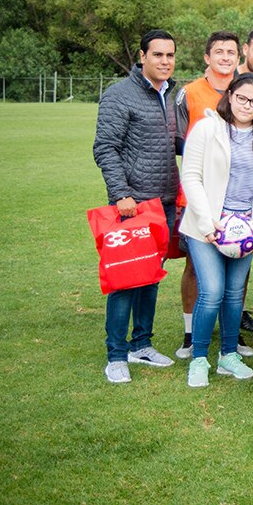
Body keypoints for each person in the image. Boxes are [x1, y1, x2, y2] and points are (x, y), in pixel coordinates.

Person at [179, 74, 253, 388]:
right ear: (231, 96)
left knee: (235, 295)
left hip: (246, 230)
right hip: (207, 226)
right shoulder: (207, 129)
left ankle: (227, 356)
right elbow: (191, 177)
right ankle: (198, 358)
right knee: (211, 292)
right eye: (242, 98)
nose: (247, 105)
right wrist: (209, 223)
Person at [93, 29, 180, 383]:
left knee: (150, 278)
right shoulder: (120, 95)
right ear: (142, 57)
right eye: (157, 55)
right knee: (125, 280)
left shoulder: (170, 95)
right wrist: (121, 193)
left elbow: (171, 142)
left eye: (170, 56)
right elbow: (105, 148)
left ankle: (141, 344)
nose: (164, 62)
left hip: (164, 203)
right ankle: (116, 355)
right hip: (132, 205)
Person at [174, 31, 251, 359]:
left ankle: (232, 337)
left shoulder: (246, 91)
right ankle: (191, 334)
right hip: (198, 198)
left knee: (239, 264)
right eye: (218, 51)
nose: (225, 57)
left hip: (240, 202)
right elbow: (177, 141)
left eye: (231, 52)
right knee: (195, 267)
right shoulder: (189, 93)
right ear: (207, 57)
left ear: (238, 56)